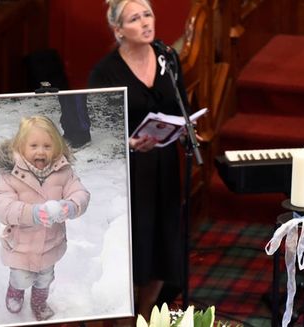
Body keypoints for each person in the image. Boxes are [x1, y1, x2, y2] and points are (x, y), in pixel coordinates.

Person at [88, 0, 189, 321]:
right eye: (134, 18)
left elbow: (181, 106)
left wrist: (186, 129)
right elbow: (93, 132)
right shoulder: (105, 72)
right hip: (125, 172)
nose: (146, 22)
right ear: (118, 30)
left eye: (147, 14)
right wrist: (129, 142)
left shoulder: (167, 59)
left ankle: (145, 314)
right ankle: (122, 317)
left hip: (164, 165)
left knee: (164, 240)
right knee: (131, 245)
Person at [0, 115, 90, 321]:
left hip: (50, 244)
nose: (40, 151)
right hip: (20, 245)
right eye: (34, 145)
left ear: (56, 147)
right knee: (21, 277)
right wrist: (33, 213)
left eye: (47, 145)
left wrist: (69, 207)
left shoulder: (63, 171)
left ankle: (39, 302)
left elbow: (80, 192)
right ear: (20, 146)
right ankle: (15, 291)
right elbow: (3, 206)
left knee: (45, 278)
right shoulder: (10, 175)